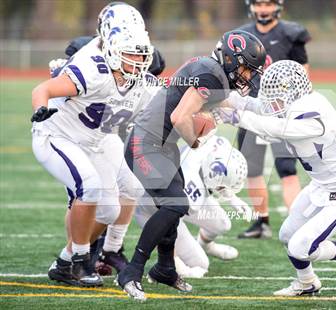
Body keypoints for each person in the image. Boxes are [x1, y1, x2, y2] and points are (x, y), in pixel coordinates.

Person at [118, 30, 266, 301]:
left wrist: (265, 108)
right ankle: (132, 270)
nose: (246, 76)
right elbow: (180, 116)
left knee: (173, 206)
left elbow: (229, 102)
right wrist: (196, 142)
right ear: (231, 59)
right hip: (146, 143)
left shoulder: (211, 70)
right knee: (175, 205)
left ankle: (165, 268)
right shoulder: (212, 74)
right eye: (245, 68)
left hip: (160, 145)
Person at [213, 60, 336, 296]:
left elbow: (277, 129)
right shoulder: (293, 102)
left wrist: (235, 117)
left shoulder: (316, 114)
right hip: (320, 186)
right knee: (287, 235)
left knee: (300, 246)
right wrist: (218, 94)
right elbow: (259, 106)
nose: (271, 101)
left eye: (276, 95)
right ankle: (307, 283)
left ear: (292, 92)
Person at [31, 2, 154, 286]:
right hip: (57, 134)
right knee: (88, 185)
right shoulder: (93, 67)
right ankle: (80, 262)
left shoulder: (135, 75)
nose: (137, 60)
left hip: (94, 139)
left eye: (139, 52)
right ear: (110, 43)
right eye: (129, 53)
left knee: (109, 210)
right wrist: (40, 109)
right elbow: (43, 89)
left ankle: (64, 261)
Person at [236, 0, 310, 239]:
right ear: (251, 6)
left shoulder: (291, 34)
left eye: (268, 3)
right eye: (259, 3)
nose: (263, 9)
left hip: (282, 111)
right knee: (253, 169)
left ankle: (297, 224)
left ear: (277, 6)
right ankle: (261, 222)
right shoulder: (242, 35)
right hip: (251, 109)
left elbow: (304, 74)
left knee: (286, 168)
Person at [135, 135, 251, 278]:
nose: (223, 189)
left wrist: (233, 198)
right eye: (222, 186)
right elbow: (167, 225)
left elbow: (213, 177)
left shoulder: (214, 145)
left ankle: (206, 244)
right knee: (200, 265)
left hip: (180, 198)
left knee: (223, 224)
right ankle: (167, 264)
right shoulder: (192, 189)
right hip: (153, 211)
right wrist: (174, 262)